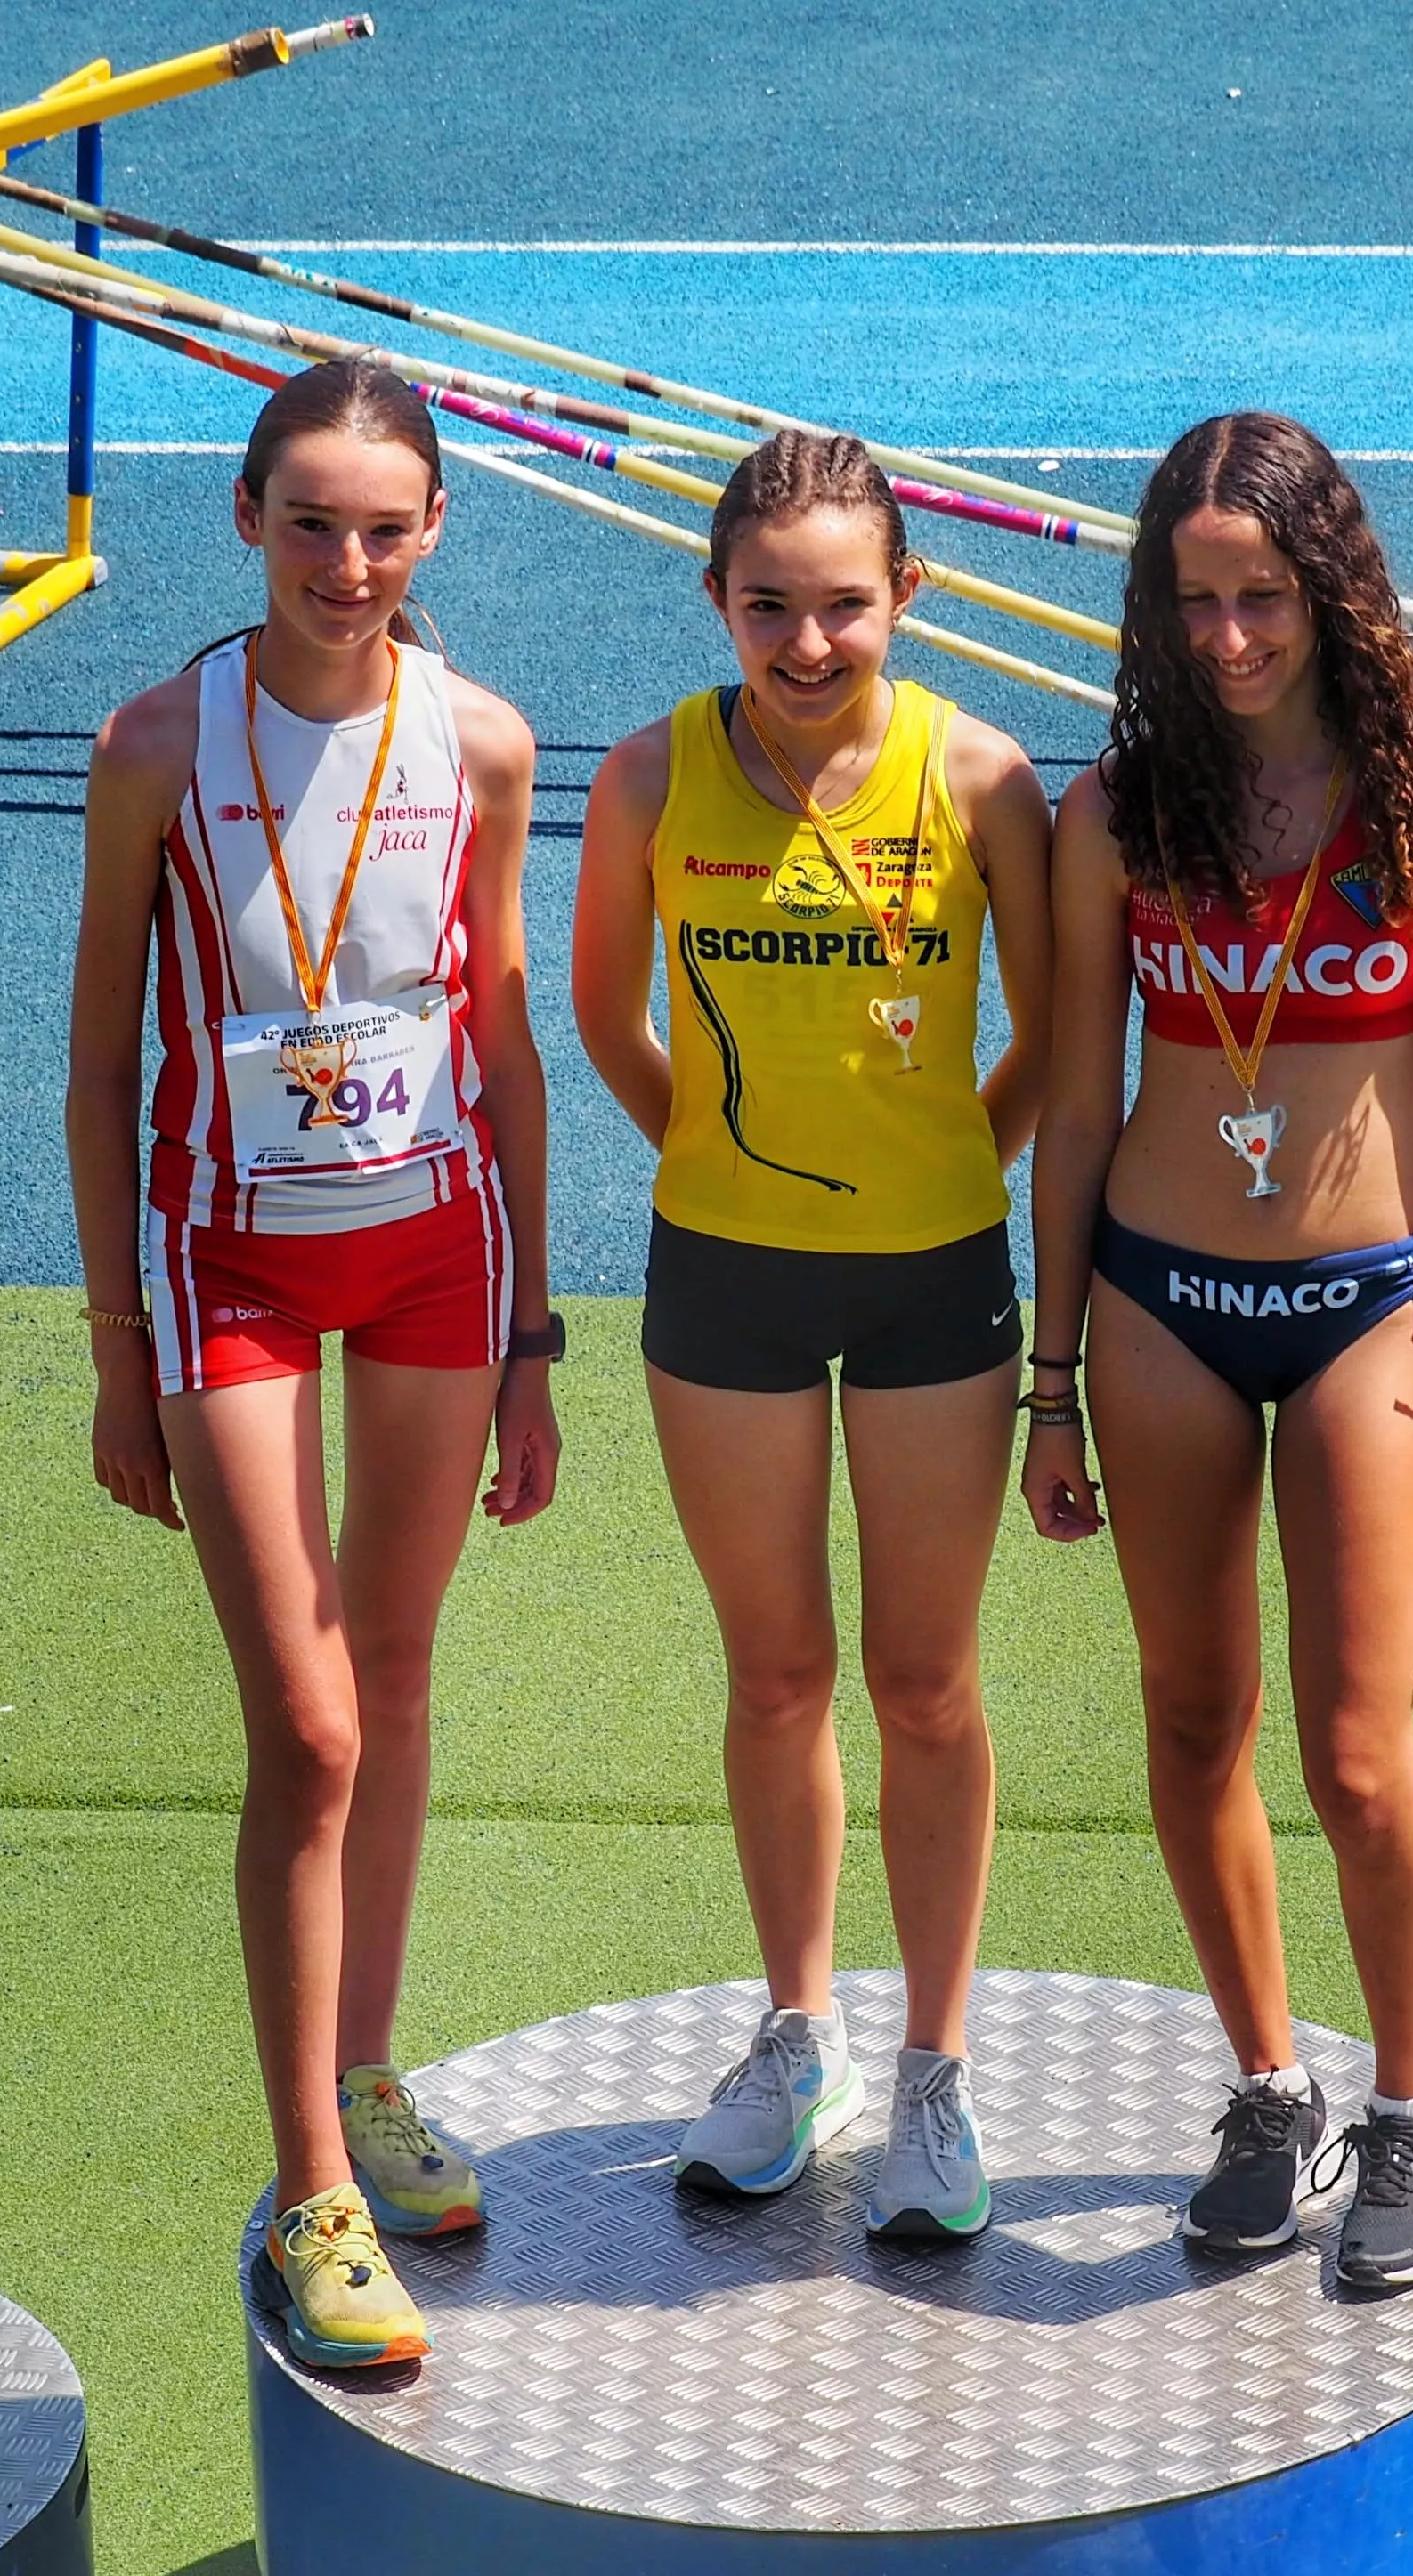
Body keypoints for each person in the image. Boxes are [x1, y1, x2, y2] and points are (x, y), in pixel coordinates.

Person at [67, 358, 560, 2369]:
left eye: (385, 528)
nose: (347, 564)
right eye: (310, 523)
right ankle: (313, 2192)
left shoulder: (491, 744)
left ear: (435, 530)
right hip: (228, 1268)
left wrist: (534, 1335)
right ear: (246, 521)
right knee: (315, 1724)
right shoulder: (156, 744)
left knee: (405, 1673)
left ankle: (367, 2072)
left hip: (437, 1258)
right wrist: (120, 1347)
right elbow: (102, 1065)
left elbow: (507, 1043)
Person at [1023, 410, 1413, 2288]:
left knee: (1360, 1759)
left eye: (1266, 597)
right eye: (1199, 600)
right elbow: (1079, 1109)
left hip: (1358, 1317)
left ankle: (1406, 2112)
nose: (1232, 636)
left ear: (1334, 590)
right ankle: (1266, 2085)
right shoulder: (1119, 813)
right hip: (1158, 1302)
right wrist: (1051, 1379)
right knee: (1188, 1723)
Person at [573, 431, 1052, 2239]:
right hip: (721, 1277)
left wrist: (944, 1170)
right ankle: (802, 2034)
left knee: (926, 1684)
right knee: (775, 1677)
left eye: (844, 603)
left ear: (906, 597)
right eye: (766, 603)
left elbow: (1062, 1049)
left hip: (937, 1281)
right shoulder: (646, 779)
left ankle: (935, 2072)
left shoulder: (989, 780)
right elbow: (606, 1016)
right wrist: (718, 1167)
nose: (804, 638)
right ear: (716, 597)